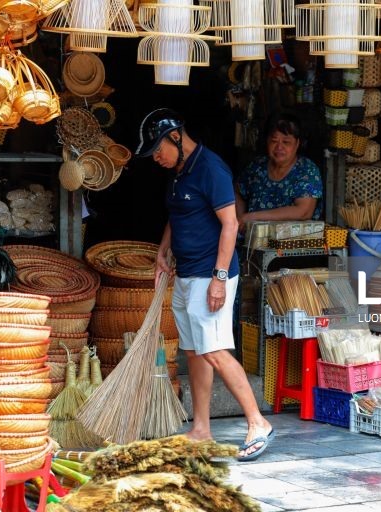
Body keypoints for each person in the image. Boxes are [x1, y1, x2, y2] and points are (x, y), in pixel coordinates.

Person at [136, 108, 274, 462]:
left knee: (213, 349)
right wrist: (163, 251)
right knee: (195, 351)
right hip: (185, 274)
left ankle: (258, 422)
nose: (156, 157)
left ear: (176, 137)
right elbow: (178, 215)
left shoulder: (210, 167)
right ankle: (200, 429)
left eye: (158, 149)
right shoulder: (179, 172)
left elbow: (230, 224)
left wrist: (220, 279)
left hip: (210, 276)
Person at [235, 114, 323, 230]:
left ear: (297, 144)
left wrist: (253, 217)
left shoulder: (307, 170)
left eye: (286, 142)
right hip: (252, 241)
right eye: (274, 141)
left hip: (290, 245)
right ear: (267, 141)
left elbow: (303, 211)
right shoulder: (257, 167)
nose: (279, 147)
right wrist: (240, 219)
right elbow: (237, 191)